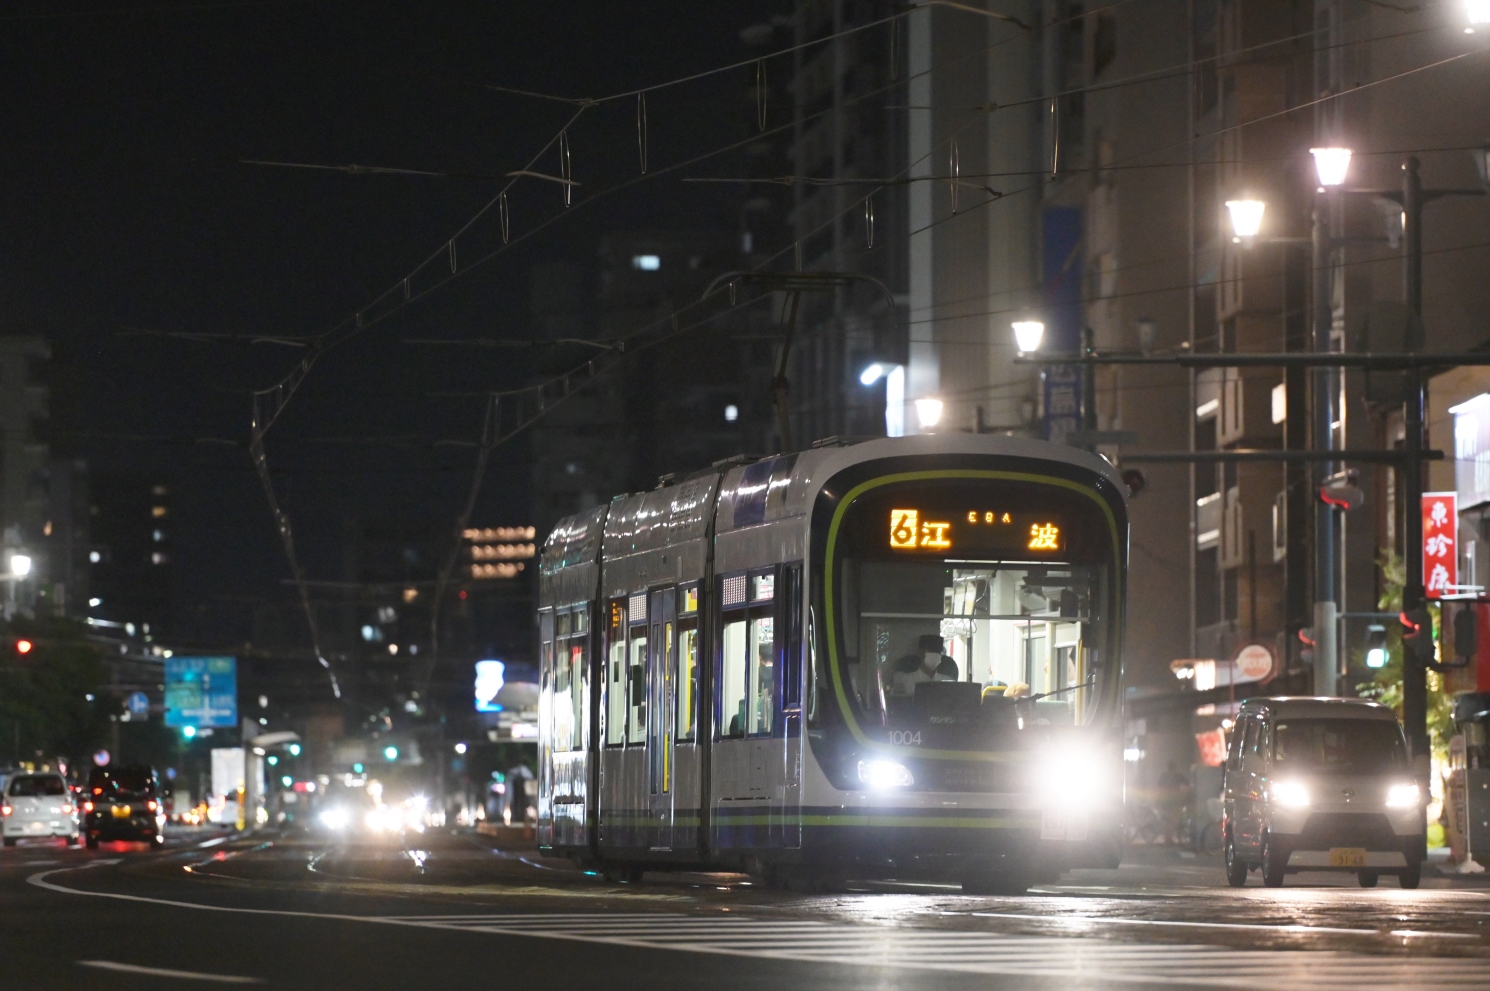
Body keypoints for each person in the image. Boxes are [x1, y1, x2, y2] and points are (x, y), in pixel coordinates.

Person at [889, 634, 959, 697]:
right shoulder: (903, 681)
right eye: (930, 651)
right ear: (920, 653)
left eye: (937, 652)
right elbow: (896, 704)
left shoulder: (949, 682)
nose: (934, 655)